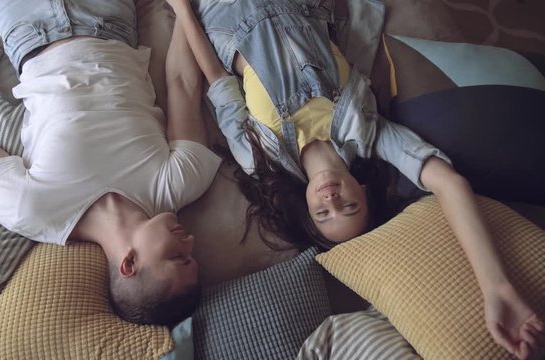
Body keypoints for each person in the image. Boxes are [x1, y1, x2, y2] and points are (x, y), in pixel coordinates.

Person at [165, 0, 545, 357]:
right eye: (348, 206)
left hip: (224, 12)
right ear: (361, 190)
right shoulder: (372, 134)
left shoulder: (262, 160)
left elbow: (217, 79)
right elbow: (450, 184)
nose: (331, 200)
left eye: (324, 214)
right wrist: (497, 287)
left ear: (308, 209)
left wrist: (182, 7)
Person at [0, 0, 222, 327]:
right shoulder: (180, 181)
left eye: (178, 256)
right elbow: (183, 84)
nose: (190, 242)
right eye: (190, 255)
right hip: (109, 21)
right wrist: (183, 10)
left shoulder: (35, 210)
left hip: (30, 31)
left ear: (129, 264)